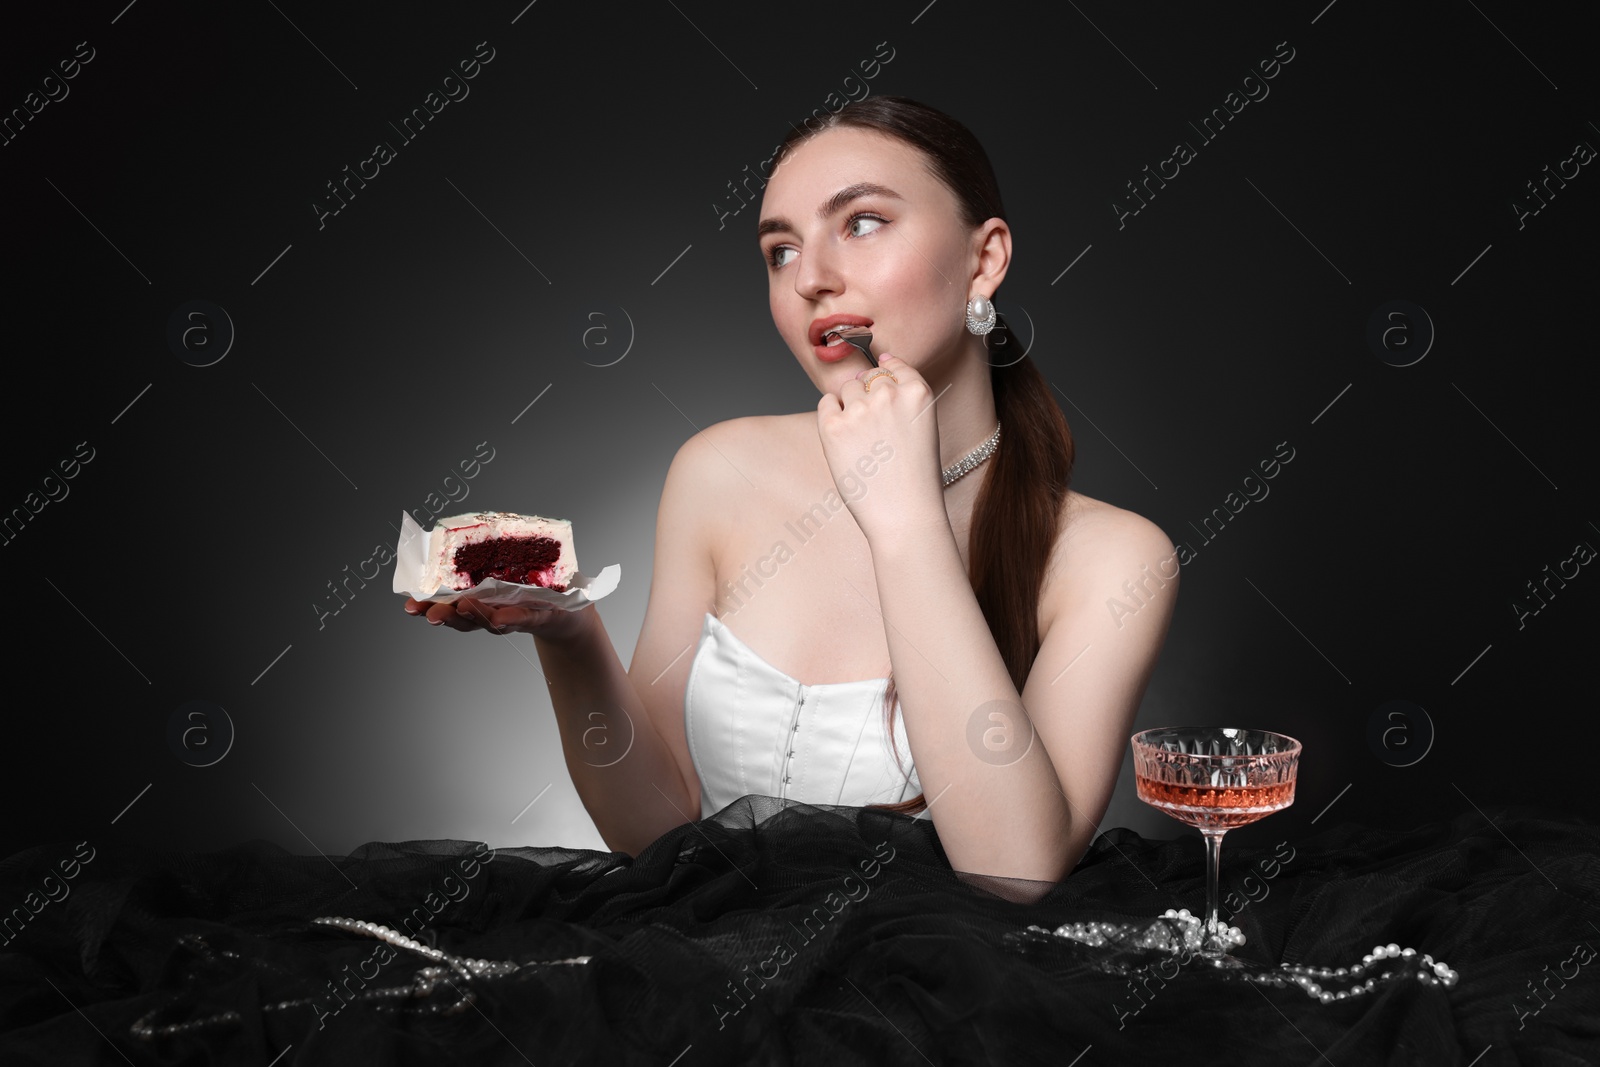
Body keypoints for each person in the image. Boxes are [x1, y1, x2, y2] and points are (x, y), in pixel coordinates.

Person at [405, 97, 1178, 885]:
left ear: (983, 261)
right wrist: (569, 635)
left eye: (864, 222)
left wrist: (903, 519)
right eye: (780, 250)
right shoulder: (718, 471)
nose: (811, 278)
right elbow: (657, 839)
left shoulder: (1113, 559)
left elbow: (1016, 872)